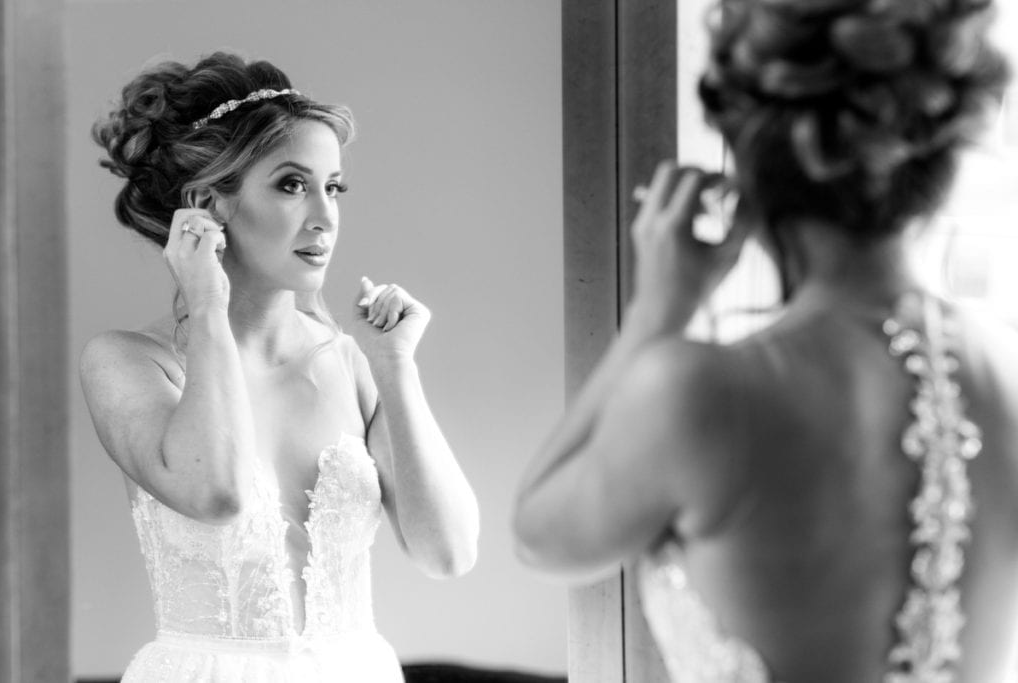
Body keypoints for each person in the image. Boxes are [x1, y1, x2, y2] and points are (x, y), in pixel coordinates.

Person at [514, 1, 1018, 681]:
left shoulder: (701, 391)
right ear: (938, 161)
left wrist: (656, 312)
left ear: (750, 173)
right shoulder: (1007, 372)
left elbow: (538, 533)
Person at [80, 52, 479, 682]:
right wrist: (208, 307)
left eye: (334, 186)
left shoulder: (351, 365)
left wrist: (396, 368)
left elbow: (449, 552)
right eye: (293, 184)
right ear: (207, 204)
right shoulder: (128, 362)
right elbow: (216, 493)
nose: (326, 216)